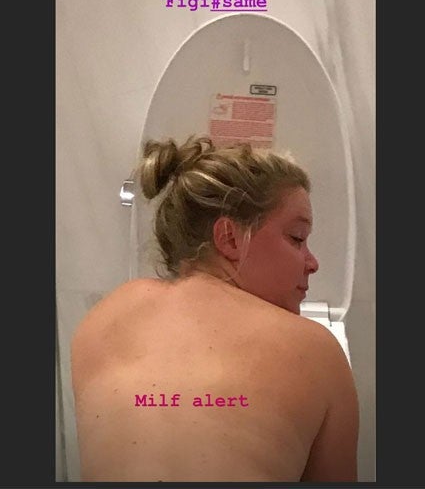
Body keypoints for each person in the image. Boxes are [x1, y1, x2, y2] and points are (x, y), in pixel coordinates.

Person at [71, 135, 359, 482]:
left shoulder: (104, 318)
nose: (312, 263)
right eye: (297, 238)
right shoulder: (315, 350)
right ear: (230, 238)